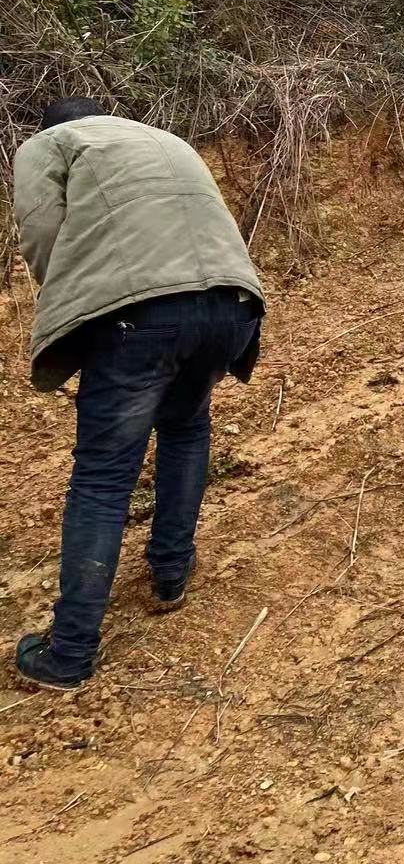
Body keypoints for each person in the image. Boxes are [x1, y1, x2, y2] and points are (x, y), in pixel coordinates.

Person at [11, 99, 265, 691]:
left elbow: (44, 233)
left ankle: (70, 653)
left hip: (143, 316)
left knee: (102, 477)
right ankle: (170, 573)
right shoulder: (163, 136)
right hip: (233, 303)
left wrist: (78, 303)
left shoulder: (51, 145)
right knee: (185, 427)